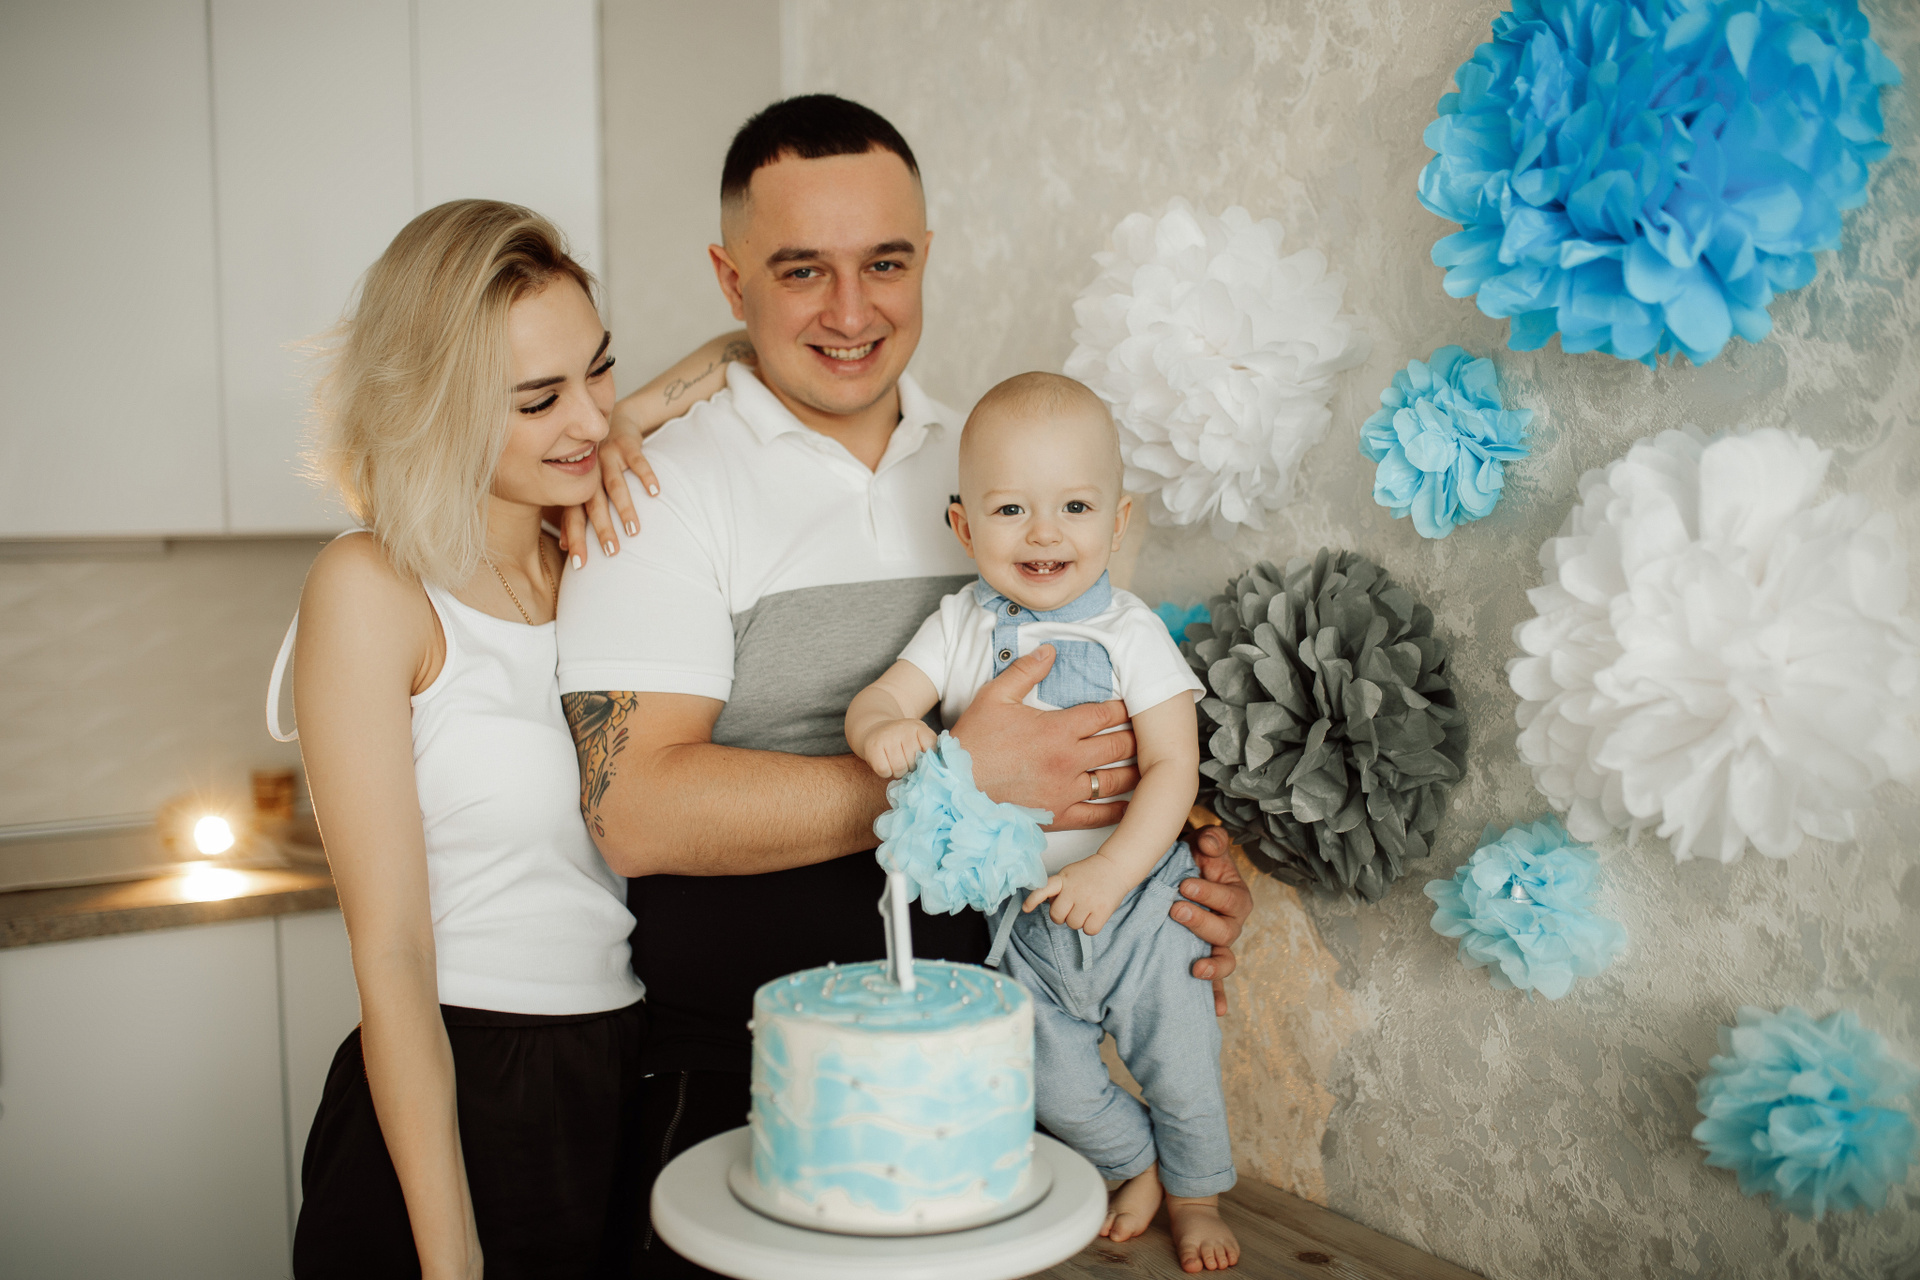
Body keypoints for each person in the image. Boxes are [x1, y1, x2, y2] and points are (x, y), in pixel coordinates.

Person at [555, 94, 1253, 1275]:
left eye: (884, 263)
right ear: (731, 279)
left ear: (925, 256)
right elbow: (635, 808)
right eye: (802, 270)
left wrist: (1174, 876)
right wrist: (953, 781)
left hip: (1013, 1081)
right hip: (753, 1097)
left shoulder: (1009, 465)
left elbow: (1108, 714)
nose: (851, 311)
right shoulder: (658, 491)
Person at [279, 200, 647, 1279]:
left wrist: (632, 410)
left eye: (602, 370)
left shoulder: (601, 558)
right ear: (437, 405)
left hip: (622, 1067)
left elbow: (732, 357)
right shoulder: (374, 587)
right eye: (538, 399)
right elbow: (392, 955)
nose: (590, 419)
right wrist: (452, 1259)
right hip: (457, 1080)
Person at [846, 372, 1240, 1273]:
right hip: (1020, 920)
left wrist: (1114, 871)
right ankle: (1133, 1161)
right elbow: (880, 698)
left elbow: (1173, 767)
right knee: (1041, 1074)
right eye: (1011, 509)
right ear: (964, 527)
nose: (1044, 533)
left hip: (1140, 907)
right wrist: (882, 729)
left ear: (1118, 519)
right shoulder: (958, 625)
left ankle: (1198, 1195)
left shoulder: (1131, 633)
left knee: (1182, 1063)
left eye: (1074, 506)